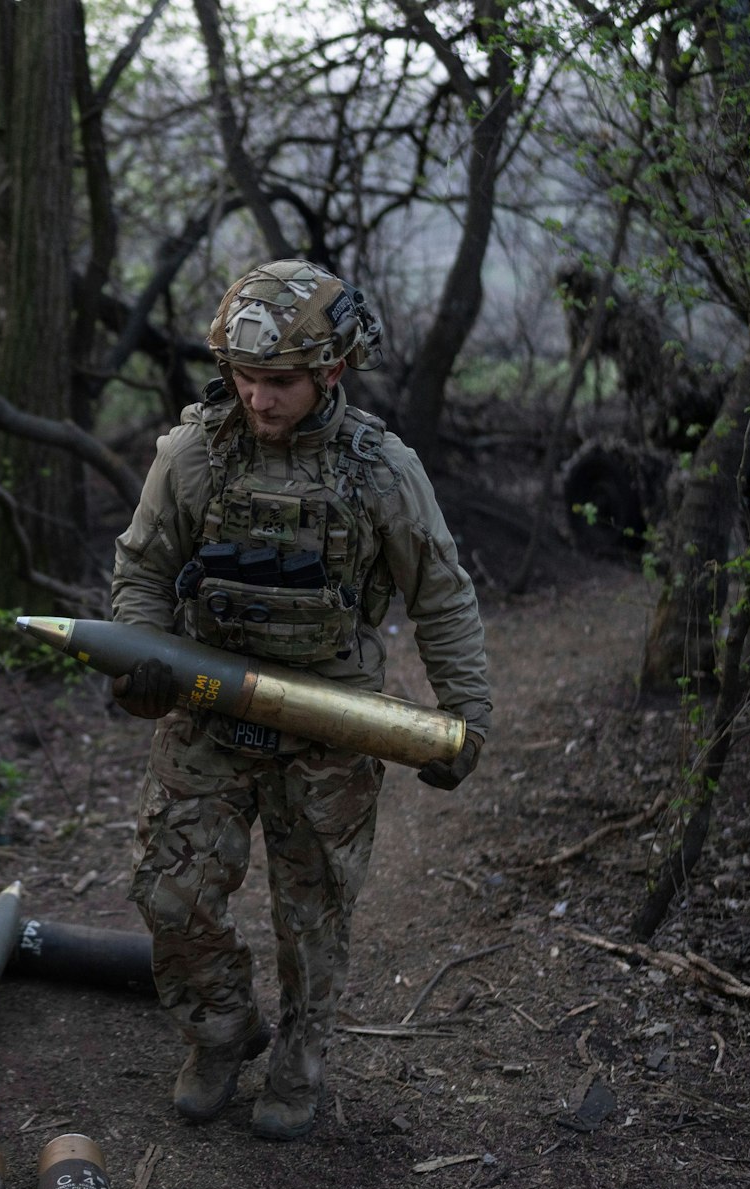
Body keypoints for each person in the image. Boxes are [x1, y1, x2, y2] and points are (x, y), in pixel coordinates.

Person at [109, 259, 492, 1141]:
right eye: (245, 379)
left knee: (313, 913)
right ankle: (220, 1031)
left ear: (331, 373)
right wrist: (143, 651)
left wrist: (463, 718)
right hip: (209, 710)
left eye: (278, 381)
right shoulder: (193, 456)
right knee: (170, 895)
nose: (259, 399)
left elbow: (440, 591)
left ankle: (301, 1053)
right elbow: (142, 566)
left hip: (329, 722)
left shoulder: (381, 472)